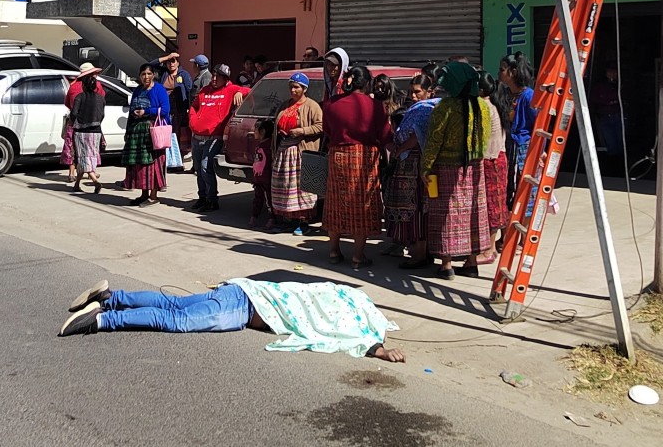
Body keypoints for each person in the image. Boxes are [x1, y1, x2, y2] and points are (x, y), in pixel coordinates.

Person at [58, 278, 405, 363]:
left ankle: (109, 296)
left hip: (237, 289)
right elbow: (339, 329)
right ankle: (102, 320)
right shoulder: (345, 312)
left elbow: (347, 323)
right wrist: (375, 348)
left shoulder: (335, 292)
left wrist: (375, 342)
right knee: (175, 320)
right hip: (242, 308)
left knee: (174, 304)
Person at [420, 61, 491, 280]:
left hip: (446, 169)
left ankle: (447, 264)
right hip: (474, 169)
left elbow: (435, 139)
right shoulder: (483, 107)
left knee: (446, 215)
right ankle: (471, 263)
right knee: (473, 214)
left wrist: (426, 166)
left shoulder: (445, 107)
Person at [322, 65, 393, 269]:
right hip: (365, 158)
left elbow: (328, 130)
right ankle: (358, 256)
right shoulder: (377, 106)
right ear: (367, 83)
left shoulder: (332, 104)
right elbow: (385, 135)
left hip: (337, 156)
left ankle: (334, 251)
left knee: (336, 202)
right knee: (362, 204)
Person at [383, 73, 439, 268]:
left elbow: (416, 136)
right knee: (418, 209)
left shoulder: (425, 109)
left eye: (417, 92)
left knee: (418, 210)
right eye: (411, 92)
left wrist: (401, 149)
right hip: (415, 165)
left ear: (429, 92)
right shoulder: (424, 108)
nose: (413, 96)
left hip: (416, 166)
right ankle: (423, 252)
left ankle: (419, 255)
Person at [187, 64, 247, 212]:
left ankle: (212, 200)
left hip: (214, 137)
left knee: (206, 167)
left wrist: (239, 91)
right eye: (213, 75)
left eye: (218, 76)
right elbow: (194, 107)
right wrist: (192, 121)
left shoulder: (230, 89)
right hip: (197, 136)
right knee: (199, 170)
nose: (213, 79)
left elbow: (250, 91)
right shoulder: (204, 91)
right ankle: (202, 198)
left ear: (225, 79)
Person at [270, 72, 323, 235]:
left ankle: (303, 221)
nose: (293, 90)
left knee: (301, 188)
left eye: (296, 87)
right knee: (286, 187)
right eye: (291, 87)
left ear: (304, 88)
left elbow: (321, 126)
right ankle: (288, 220)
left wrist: (302, 131)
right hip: (284, 151)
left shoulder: (312, 106)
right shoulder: (284, 105)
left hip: (300, 152)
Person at [121, 63, 170, 206]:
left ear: (153, 75)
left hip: (152, 132)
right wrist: (128, 130)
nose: (146, 77)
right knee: (141, 165)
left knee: (153, 164)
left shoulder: (159, 90)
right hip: (137, 133)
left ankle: (153, 196)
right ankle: (144, 194)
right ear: (139, 76)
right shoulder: (137, 90)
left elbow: (165, 110)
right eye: (143, 74)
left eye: (149, 74)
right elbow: (131, 111)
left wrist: (146, 112)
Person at [478, 71, 510, 263]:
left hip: (490, 159)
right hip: (498, 157)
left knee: (491, 206)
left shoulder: (485, 106)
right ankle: (489, 247)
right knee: (495, 203)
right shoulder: (496, 104)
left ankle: (488, 250)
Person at [498, 52, 536, 211]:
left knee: (526, 192)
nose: (499, 73)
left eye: (502, 69)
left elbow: (537, 125)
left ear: (513, 73)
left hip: (525, 148)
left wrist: (540, 151)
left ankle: (524, 234)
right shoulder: (507, 94)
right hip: (511, 146)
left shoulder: (529, 96)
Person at [148, 52, 193, 169]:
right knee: (165, 132)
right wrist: (166, 57)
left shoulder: (184, 74)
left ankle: (178, 160)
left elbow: (189, 90)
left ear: (178, 63)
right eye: (169, 62)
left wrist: (189, 108)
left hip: (178, 108)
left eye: (174, 61)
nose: (171, 64)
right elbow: (151, 64)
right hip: (164, 107)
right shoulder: (164, 73)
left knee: (176, 133)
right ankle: (166, 159)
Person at [62, 63, 104, 183]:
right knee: (91, 149)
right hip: (92, 124)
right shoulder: (97, 86)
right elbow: (101, 104)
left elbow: (67, 103)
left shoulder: (73, 86)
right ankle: (92, 172)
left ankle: (71, 173)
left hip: (75, 123)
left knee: (74, 149)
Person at [590, 62, 623, 158]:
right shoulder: (600, 86)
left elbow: (623, 97)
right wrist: (607, 101)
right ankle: (613, 162)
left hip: (618, 115)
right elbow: (594, 99)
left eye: (614, 72)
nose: (612, 74)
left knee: (621, 141)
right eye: (609, 72)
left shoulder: (619, 84)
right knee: (610, 142)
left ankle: (622, 161)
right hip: (605, 116)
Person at [249, 119, 274, 228]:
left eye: (256, 129)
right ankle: (254, 217)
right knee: (257, 199)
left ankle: (272, 218)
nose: (253, 131)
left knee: (269, 200)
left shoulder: (268, 146)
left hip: (266, 180)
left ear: (263, 131)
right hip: (258, 179)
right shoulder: (260, 145)